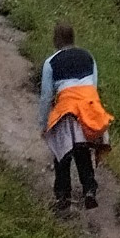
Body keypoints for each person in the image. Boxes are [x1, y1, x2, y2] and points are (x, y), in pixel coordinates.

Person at [38, 23, 111, 211]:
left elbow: (46, 95)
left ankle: (63, 196)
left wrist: (44, 123)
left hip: (66, 109)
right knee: (82, 150)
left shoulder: (51, 62)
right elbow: (93, 86)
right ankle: (89, 190)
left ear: (56, 39)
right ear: (73, 38)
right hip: (89, 109)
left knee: (61, 153)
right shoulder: (88, 57)